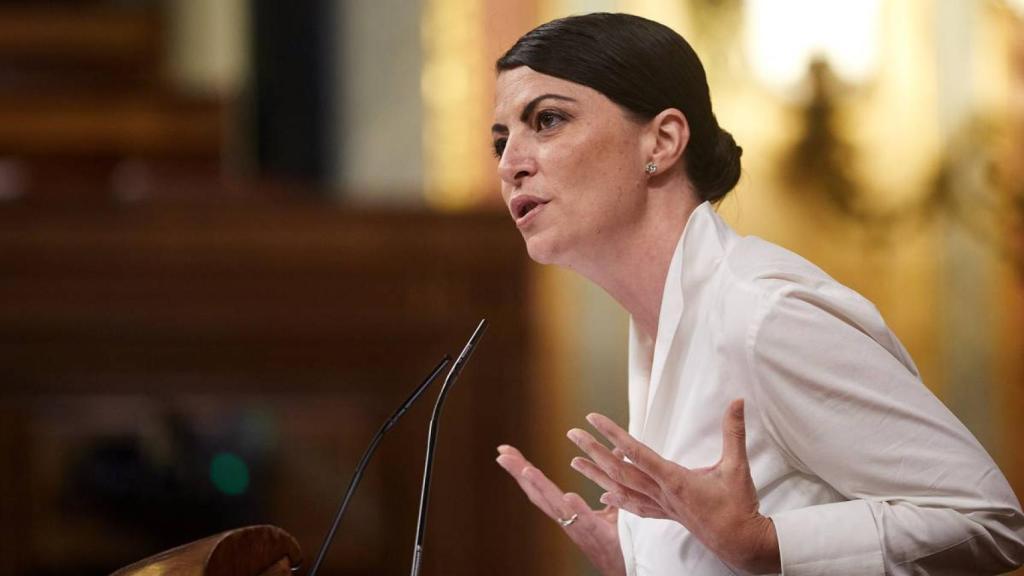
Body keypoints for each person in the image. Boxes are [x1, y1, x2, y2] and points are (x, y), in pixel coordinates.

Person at [490, 12, 1024, 576]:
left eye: (547, 120)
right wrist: (641, 560)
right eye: (500, 141)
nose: (509, 165)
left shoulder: (763, 315)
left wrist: (765, 543)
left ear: (663, 140)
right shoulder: (667, 322)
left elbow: (988, 520)